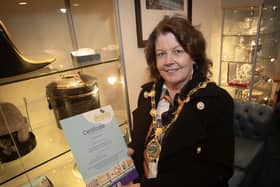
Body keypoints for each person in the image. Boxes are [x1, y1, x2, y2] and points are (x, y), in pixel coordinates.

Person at [125, 15, 234, 186]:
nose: (168, 61)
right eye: (161, 54)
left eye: (178, 51)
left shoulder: (217, 101)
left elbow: (218, 171)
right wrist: (131, 150)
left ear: (194, 55)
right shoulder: (147, 95)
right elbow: (143, 141)